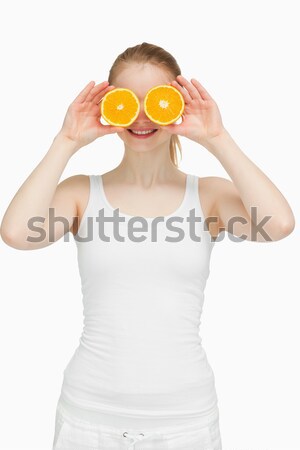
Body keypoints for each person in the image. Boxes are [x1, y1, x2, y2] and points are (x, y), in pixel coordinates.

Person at [0, 42, 295, 450]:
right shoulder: (82, 194)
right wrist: (66, 140)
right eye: (126, 102)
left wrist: (217, 137)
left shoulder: (208, 196)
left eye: (155, 101)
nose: (140, 117)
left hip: (185, 420)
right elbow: (16, 234)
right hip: (89, 417)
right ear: (108, 106)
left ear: (176, 104)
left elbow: (278, 225)